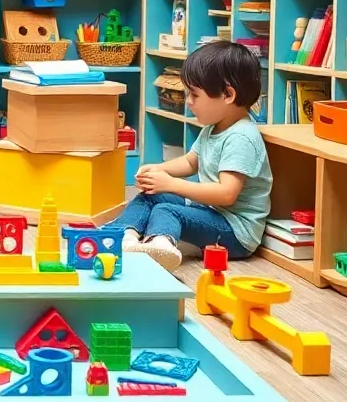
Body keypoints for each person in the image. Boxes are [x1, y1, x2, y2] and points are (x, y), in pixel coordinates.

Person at [114, 41, 272, 271]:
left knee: (166, 209)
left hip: (236, 232)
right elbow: (190, 161)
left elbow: (227, 194)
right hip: (212, 212)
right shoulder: (214, 127)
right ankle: (123, 236)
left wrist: (172, 184)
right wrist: (160, 170)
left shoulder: (241, 137)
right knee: (151, 195)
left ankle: (160, 246)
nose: (188, 101)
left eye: (195, 95)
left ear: (228, 94)